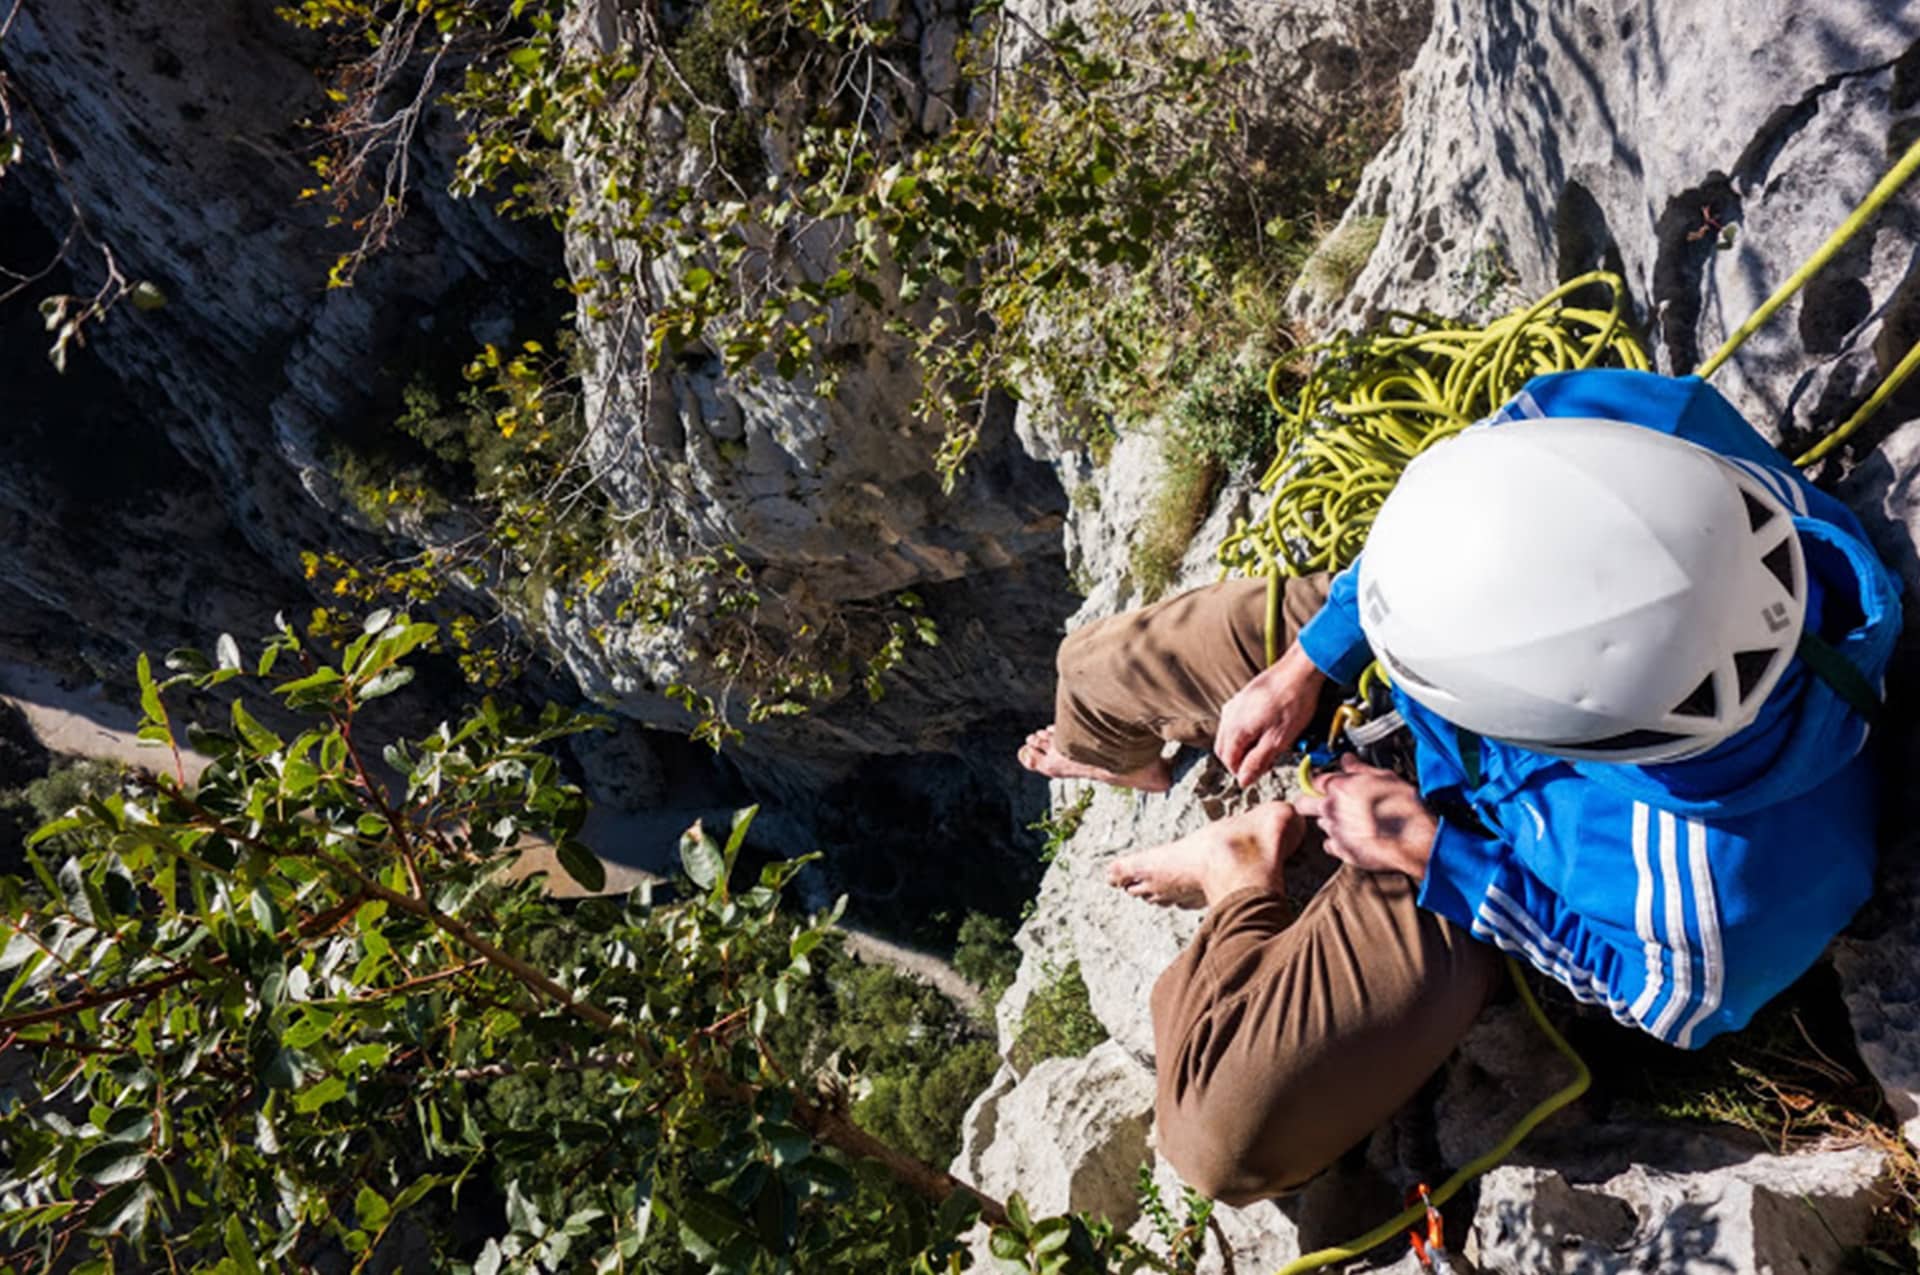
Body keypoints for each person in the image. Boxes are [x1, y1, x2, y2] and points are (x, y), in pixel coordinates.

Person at [1018, 369, 1902, 1205]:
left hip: (1475, 841)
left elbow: (1651, 996)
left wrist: (1429, 850)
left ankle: (1236, 872)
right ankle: (1121, 758)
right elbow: (1466, 485)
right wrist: (1309, 660)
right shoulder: (1640, 437)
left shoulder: (1729, 892)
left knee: (1220, 1138)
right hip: (1430, 620)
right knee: (1087, 672)